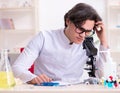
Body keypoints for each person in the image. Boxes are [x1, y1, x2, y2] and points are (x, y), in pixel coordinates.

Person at [12, 3, 109, 84]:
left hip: (75, 89)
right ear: (68, 21)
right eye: (80, 29)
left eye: (88, 31)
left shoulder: (88, 43)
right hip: (46, 88)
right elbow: (17, 68)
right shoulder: (44, 37)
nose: (83, 36)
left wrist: (103, 40)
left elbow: (103, 75)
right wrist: (32, 78)